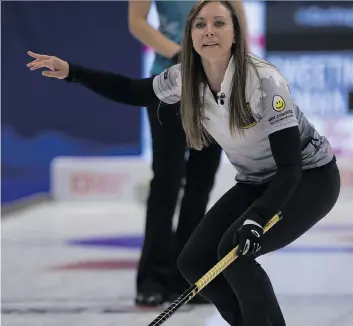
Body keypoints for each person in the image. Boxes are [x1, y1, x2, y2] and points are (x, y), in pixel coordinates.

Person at [26, 1, 341, 325]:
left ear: (235, 33)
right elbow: (132, 90)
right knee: (193, 261)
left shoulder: (263, 80)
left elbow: (290, 167)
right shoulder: (184, 78)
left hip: (308, 179)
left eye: (219, 23)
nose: (209, 31)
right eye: (200, 25)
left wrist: (257, 219)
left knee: (237, 256)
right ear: (189, 36)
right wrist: (73, 73)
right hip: (257, 180)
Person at [127, 0, 247, 305]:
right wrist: (180, 54)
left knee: (201, 181)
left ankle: (188, 276)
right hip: (167, 86)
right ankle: (152, 277)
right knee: (166, 182)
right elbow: (137, 22)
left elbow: (238, 17)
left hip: (214, 86)